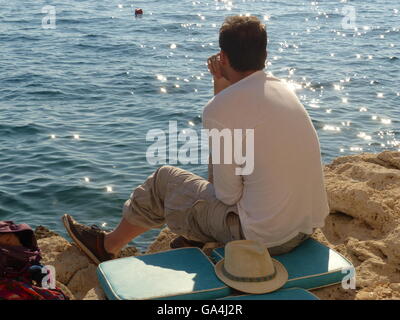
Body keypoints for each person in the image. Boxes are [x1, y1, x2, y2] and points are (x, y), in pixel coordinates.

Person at [62, 15, 329, 265]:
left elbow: (226, 193)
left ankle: (106, 246)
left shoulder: (220, 109)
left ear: (222, 57)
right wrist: (221, 90)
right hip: (304, 229)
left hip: (265, 241)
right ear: (265, 55)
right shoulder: (284, 89)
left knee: (163, 180)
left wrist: (219, 94)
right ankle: (195, 235)